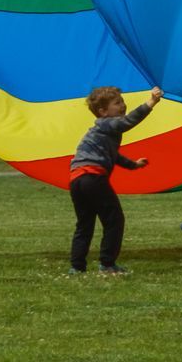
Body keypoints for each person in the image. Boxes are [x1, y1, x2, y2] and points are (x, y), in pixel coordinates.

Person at [68, 84, 163, 276]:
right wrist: (151, 102)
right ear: (103, 111)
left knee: (84, 224)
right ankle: (107, 264)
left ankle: (77, 267)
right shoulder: (107, 123)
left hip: (77, 179)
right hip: (92, 177)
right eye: (117, 103)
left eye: (122, 101)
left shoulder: (102, 132)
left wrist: (133, 165)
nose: (123, 105)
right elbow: (128, 122)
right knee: (114, 220)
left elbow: (114, 155)